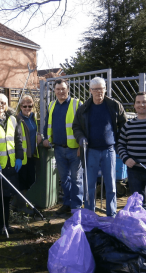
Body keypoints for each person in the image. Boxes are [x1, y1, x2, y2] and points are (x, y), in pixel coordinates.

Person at [73, 77, 127, 216]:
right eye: (95, 89)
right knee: (89, 185)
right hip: (91, 151)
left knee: (111, 185)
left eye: (101, 88)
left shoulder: (114, 105)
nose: (99, 92)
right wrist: (81, 138)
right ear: (90, 90)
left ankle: (112, 215)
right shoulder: (84, 108)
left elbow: (124, 124)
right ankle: (90, 215)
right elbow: (76, 127)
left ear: (105, 89)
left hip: (109, 150)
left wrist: (119, 140)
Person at [0, 93, 24, 235]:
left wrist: (20, 157)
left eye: (2, 102)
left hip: (11, 164)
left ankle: (6, 225)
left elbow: (18, 140)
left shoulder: (13, 119)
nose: (0, 105)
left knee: (6, 198)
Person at [43, 79, 83, 215]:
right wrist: (45, 138)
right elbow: (47, 124)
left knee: (76, 179)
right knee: (64, 179)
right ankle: (67, 204)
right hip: (58, 148)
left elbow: (84, 126)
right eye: (58, 89)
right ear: (54, 91)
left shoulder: (77, 104)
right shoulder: (52, 105)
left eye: (63, 89)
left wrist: (81, 146)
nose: (61, 91)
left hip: (74, 149)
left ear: (68, 90)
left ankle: (76, 207)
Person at [13, 95, 42, 213]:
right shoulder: (16, 119)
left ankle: (18, 204)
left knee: (30, 180)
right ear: (20, 106)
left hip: (32, 155)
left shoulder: (32, 117)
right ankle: (20, 206)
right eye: (24, 106)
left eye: (30, 106)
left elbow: (34, 131)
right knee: (22, 182)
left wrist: (39, 135)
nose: (27, 108)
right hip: (22, 156)